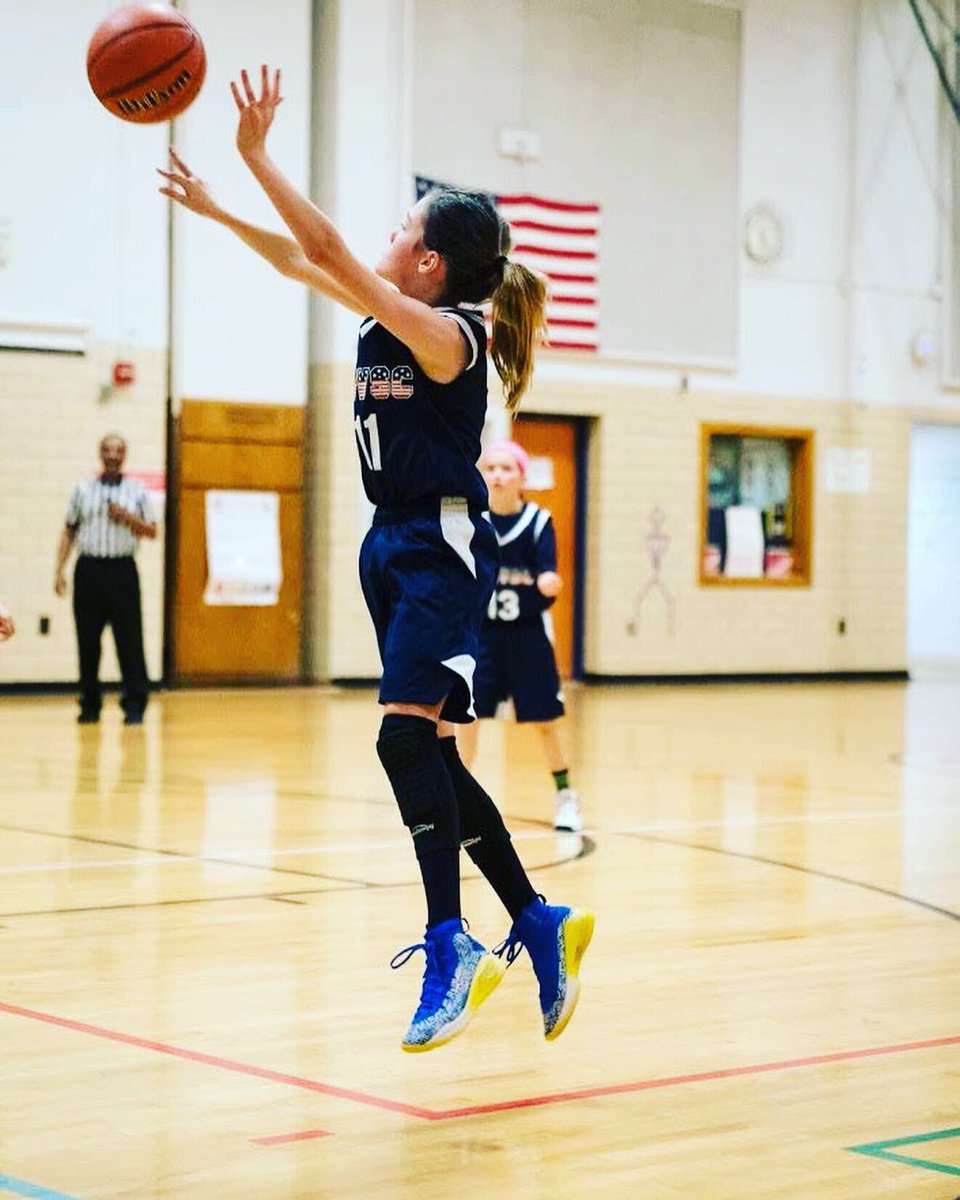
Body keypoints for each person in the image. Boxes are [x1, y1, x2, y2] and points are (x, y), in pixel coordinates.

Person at [157, 65, 594, 1052]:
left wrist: (257, 154)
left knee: (404, 740)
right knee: (434, 752)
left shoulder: (447, 338)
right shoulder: (391, 314)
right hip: (389, 544)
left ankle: (454, 942)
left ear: (432, 263)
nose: (385, 239)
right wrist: (226, 209)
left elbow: (322, 248)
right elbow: (298, 261)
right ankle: (535, 918)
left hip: (438, 543)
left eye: (402, 231)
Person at [457, 440, 583, 833]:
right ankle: (459, 804)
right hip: (483, 639)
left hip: (528, 636)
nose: (497, 475)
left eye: (506, 468)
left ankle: (565, 798)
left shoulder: (538, 522)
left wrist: (548, 579)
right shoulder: (471, 521)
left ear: (521, 476)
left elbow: (548, 569)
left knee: (546, 721)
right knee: (468, 720)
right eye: (490, 468)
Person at [54, 434, 156, 725]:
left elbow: (152, 531)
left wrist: (127, 517)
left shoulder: (137, 491)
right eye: (107, 450)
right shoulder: (82, 490)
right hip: (89, 570)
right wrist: (59, 569)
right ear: (100, 454)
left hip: (122, 571)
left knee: (129, 641)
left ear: (125, 455)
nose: (112, 455)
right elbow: (70, 530)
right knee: (87, 641)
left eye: (118, 450)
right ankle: (89, 703)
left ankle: (134, 704)